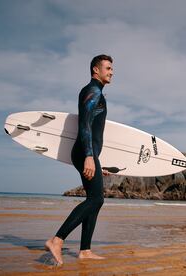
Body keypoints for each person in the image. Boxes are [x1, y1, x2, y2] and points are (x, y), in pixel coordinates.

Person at [45, 54, 113, 265]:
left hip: (89, 152)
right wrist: (89, 157)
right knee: (96, 199)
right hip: (85, 152)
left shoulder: (98, 93)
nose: (111, 72)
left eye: (112, 69)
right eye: (108, 68)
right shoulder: (92, 91)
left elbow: (92, 129)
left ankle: (85, 250)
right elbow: (84, 125)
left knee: (96, 201)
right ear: (96, 70)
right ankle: (57, 240)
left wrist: (96, 160)